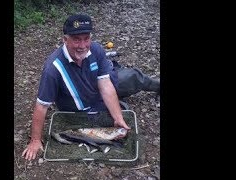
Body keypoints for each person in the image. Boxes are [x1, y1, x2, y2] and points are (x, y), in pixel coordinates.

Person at [22, 14, 159, 160]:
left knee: (131, 77)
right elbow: (42, 106)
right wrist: (35, 140)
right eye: (76, 40)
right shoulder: (53, 69)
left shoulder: (96, 50)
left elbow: (106, 85)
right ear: (65, 40)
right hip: (82, 107)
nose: (82, 46)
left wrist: (118, 117)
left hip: (102, 85)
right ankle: (118, 102)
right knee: (121, 107)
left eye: (86, 39)